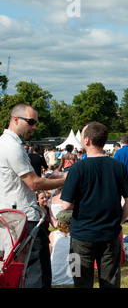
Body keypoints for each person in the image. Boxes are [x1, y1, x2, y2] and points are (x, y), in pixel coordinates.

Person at [61, 122, 128, 288]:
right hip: (109, 234)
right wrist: (119, 220)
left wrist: (84, 205)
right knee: (110, 282)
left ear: (87, 140)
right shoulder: (118, 166)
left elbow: (65, 205)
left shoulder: (76, 168)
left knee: (80, 281)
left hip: (80, 236)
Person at [0, 104, 66, 288]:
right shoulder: (12, 146)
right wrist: (64, 181)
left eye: (35, 122)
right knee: (36, 273)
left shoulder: (5, 143)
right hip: (23, 219)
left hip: (10, 217)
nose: (34, 126)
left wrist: (47, 178)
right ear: (15, 119)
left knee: (18, 273)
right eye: (31, 122)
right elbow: (33, 183)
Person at [49, 210, 73, 286]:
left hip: (54, 276)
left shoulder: (53, 234)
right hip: (73, 278)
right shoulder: (77, 236)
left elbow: (49, 254)